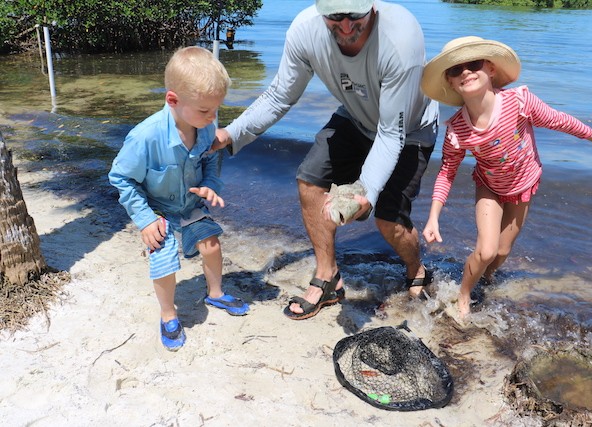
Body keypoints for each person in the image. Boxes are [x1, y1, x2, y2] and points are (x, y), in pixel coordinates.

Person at [214, 0, 439, 320]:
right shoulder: (304, 31)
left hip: (410, 129)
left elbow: (391, 133)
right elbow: (279, 96)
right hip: (356, 117)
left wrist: (365, 190)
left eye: (355, 15)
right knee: (310, 179)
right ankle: (328, 277)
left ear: (372, 7)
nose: (346, 26)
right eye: (335, 16)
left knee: (388, 221)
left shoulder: (401, 37)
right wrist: (229, 133)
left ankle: (416, 268)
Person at [420, 36, 592, 319]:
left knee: (502, 251)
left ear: (491, 69)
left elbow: (558, 120)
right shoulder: (458, 130)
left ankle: (487, 278)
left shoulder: (519, 102)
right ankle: (464, 295)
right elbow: (447, 171)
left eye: (473, 64)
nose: (466, 72)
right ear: (451, 82)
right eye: (456, 70)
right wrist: (433, 217)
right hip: (489, 187)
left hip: (524, 184)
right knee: (486, 251)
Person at [109, 46, 249, 351]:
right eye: (205, 111)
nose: (212, 119)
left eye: (216, 110)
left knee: (211, 243)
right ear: (173, 100)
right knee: (163, 260)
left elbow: (210, 160)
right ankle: (168, 314)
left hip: (190, 203)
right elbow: (121, 178)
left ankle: (215, 292)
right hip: (157, 210)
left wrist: (210, 185)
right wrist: (145, 220)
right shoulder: (145, 137)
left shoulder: (205, 127)